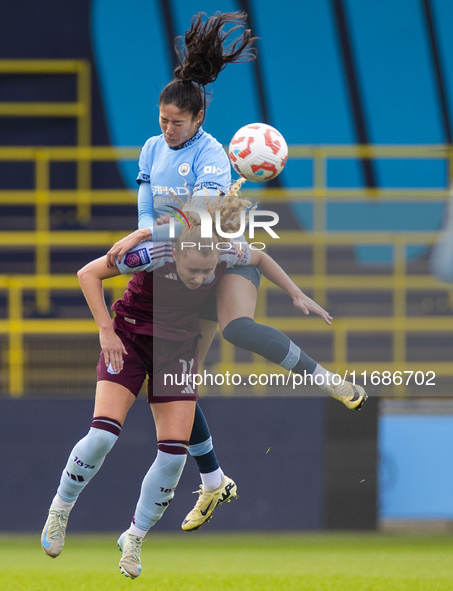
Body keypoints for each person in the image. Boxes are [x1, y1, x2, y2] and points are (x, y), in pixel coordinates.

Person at [105, 11, 367, 533]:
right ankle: (213, 480)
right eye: (163, 120)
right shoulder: (154, 148)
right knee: (178, 382)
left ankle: (329, 380)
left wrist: (296, 294)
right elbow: (145, 195)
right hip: (183, 269)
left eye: (177, 121)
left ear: (199, 120)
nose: (167, 128)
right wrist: (142, 225)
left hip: (216, 256)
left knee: (239, 328)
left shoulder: (215, 159)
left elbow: (198, 223)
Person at [41, 196, 335, 579]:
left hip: (177, 350)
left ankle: (134, 538)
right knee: (101, 436)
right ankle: (60, 510)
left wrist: (295, 292)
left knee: (174, 455)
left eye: (206, 272)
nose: (200, 279)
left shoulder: (226, 253)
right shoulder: (152, 252)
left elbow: (260, 259)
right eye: (192, 271)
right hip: (129, 339)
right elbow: (87, 274)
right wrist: (106, 332)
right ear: (175, 254)